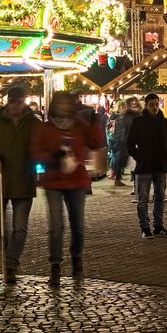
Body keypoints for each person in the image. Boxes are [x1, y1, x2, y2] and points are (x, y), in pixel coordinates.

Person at [32, 91, 104, 285]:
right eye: (60, 103)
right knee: (56, 226)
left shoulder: (79, 125)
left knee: (78, 226)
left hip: (77, 181)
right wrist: (53, 157)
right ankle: (55, 265)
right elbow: (36, 151)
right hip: (54, 181)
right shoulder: (46, 128)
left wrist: (96, 121)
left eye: (67, 103)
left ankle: (77, 259)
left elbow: (96, 142)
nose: (64, 106)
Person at [0, 84, 38, 284]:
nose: (15, 106)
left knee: (20, 228)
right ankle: (6, 257)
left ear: (24, 102)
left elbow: (42, 146)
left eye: (19, 102)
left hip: (23, 180)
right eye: (12, 101)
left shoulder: (33, 123)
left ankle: (11, 263)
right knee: (0, 226)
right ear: (7, 101)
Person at [128, 93, 167, 239]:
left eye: (156, 104)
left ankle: (158, 225)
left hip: (160, 166)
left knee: (160, 197)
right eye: (151, 105)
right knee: (143, 199)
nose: (154, 107)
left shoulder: (165, 123)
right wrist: (139, 157)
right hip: (144, 167)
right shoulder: (139, 122)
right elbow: (130, 143)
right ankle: (145, 227)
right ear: (146, 105)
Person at [110, 97, 140, 187]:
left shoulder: (123, 116)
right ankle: (133, 182)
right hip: (126, 143)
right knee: (130, 162)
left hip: (123, 143)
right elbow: (123, 131)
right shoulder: (128, 116)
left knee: (125, 162)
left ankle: (122, 179)